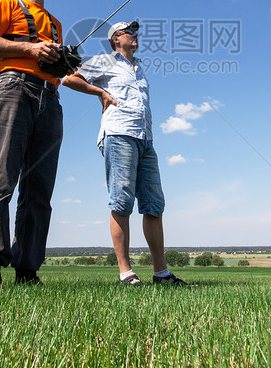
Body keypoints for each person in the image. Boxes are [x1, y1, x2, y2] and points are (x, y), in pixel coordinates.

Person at [62, 21, 188, 286]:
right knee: (121, 202)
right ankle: (125, 273)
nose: (136, 35)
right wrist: (100, 91)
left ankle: (161, 274)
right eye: (130, 31)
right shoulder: (106, 61)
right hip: (119, 134)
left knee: (154, 205)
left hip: (146, 139)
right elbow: (69, 78)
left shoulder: (139, 68)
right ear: (116, 38)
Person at [0, 0, 67, 286]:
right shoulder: (7, 4)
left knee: (39, 187)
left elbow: (57, 66)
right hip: (14, 87)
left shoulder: (55, 22)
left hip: (50, 97)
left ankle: (28, 269)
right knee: (3, 178)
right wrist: (32, 51)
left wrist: (62, 59)